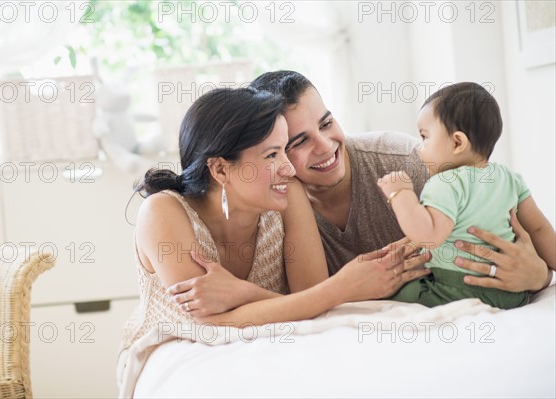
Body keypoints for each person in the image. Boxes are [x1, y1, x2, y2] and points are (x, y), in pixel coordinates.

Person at [118, 87, 419, 397]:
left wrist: (243, 292)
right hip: (177, 343)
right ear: (221, 168)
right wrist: (343, 287)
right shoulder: (162, 212)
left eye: (285, 151)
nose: (288, 168)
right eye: (272, 154)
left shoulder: (288, 193)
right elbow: (210, 325)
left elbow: (311, 300)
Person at [168, 71, 553, 313]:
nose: (326, 146)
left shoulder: (408, 161)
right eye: (298, 141)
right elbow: (311, 299)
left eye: (328, 122)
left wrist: (538, 275)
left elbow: (502, 220)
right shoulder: (275, 198)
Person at [377, 82, 556, 308]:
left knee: (395, 292)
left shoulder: (444, 183)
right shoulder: (510, 178)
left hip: (457, 288)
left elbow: (429, 236)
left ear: (458, 142)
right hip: (512, 292)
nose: (419, 148)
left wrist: (400, 194)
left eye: (424, 137)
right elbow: (538, 228)